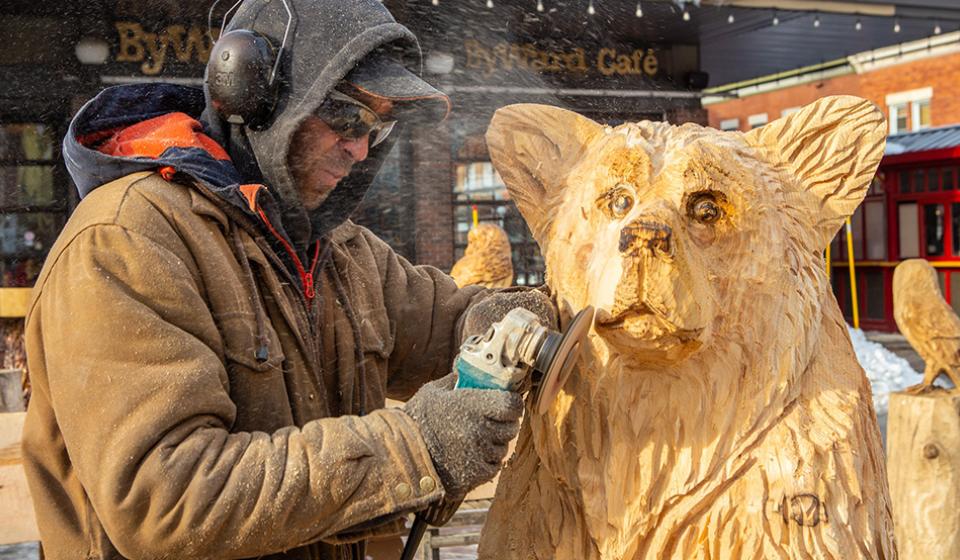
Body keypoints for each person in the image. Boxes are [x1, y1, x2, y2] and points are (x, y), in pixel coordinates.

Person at [20, 0, 556, 558]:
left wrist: (517, 317)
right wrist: (416, 450)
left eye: (378, 124)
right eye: (348, 117)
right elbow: (165, 496)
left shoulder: (337, 250)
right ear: (255, 94)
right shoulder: (127, 239)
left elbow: (448, 324)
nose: (360, 146)